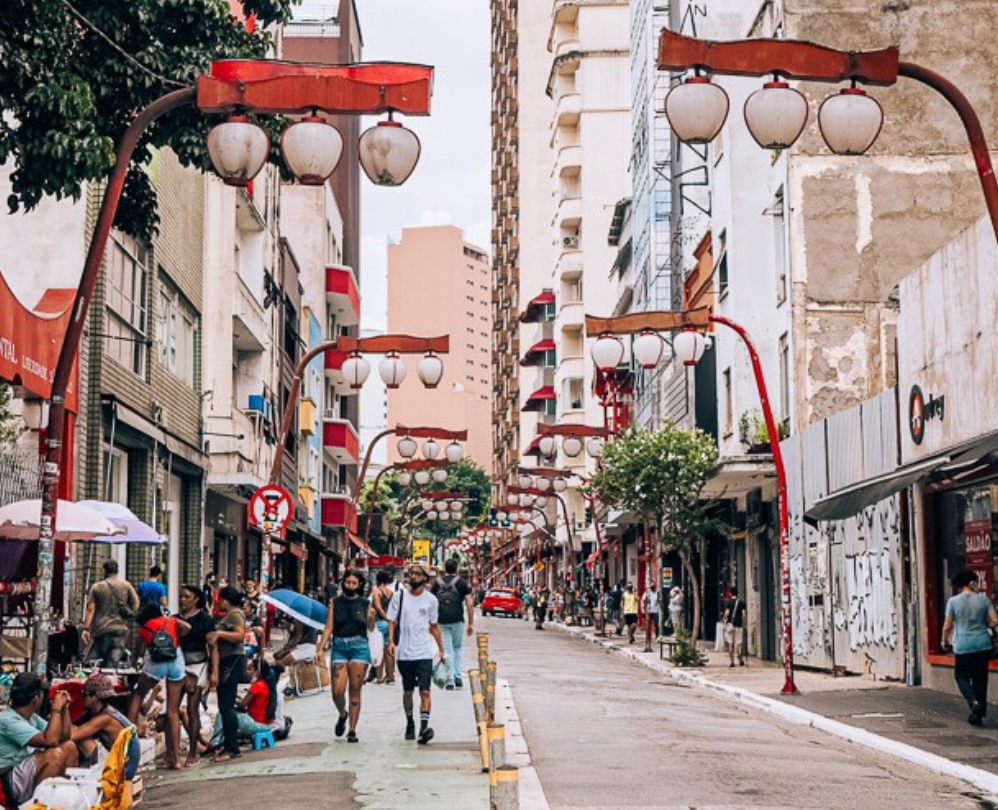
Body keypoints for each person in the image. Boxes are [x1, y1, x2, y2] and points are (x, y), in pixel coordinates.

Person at [387, 563, 447, 745]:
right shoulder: (400, 597)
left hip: (423, 653)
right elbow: (391, 620)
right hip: (404, 653)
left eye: (417, 573)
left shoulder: (431, 600)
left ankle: (423, 728)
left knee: (425, 692)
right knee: (407, 691)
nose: (413, 576)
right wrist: (390, 641)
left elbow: (434, 626)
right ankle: (410, 723)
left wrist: (442, 650)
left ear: (425, 578)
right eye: (411, 573)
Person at [0, 674, 78, 807]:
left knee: (69, 747)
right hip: (7, 779)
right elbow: (51, 741)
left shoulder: (32, 718)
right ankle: (37, 806)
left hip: (22, 774)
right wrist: (56, 708)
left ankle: (66, 801)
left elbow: (65, 737)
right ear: (36, 699)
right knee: (53, 755)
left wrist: (65, 708)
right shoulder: (8, 719)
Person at [128, 603, 189, 770]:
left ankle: (128, 737)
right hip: (176, 661)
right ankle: (175, 760)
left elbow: (138, 651)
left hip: (155, 662)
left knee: (138, 693)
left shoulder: (144, 628)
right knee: (173, 711)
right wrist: (177, 639)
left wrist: (135, 662)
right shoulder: (172, 621)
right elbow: (188, 627)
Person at [318, 569, 376, 743]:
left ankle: (352, 729)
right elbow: (329, 627)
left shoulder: (366, 603)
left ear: (360, 585)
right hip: (340, 646)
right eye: (347, 582)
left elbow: (370, 628)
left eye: (354, 583)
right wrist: (320, 647)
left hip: (359, 647)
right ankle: (343, 713)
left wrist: (372, 618)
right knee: (337, 691)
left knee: (355, 690)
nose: (350, 586)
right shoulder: (335, 603)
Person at [942, 570, 998, 725]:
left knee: (961, 677)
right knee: (980, 679)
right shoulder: (983, 600)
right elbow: (995, 621)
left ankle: (973, 701)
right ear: (972, 583)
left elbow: (948, 625)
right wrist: (983, 624)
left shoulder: (953, 602)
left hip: (963, 645)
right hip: (982, 644)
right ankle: (977, 715)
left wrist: (944, 641)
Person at [70, 673, 141, 779]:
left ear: (95, 697)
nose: (82, 697)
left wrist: (62, 709)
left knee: (81, 738)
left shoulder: (105, 718)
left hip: (123, 770)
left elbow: (72, 736)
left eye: (85, 694)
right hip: (124, 764)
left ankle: (84, 776)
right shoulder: (101, 711)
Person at [207, 585, 248, 762]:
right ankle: (229, 744)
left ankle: (232, 748)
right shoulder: (231, 615)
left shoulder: (235, 614)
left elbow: (240, 635)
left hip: (232, 660)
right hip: (227, 660)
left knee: (226, 706)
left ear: (225, 600)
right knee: (225, 705)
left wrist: (219, 633)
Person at [177, 584, 213, 765]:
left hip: (199, 666)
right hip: (178, 667)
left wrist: (213, 673)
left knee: (192, 708)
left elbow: (211, 645)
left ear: (196, 599)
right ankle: (173, 753)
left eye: (187, 597)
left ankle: (192, 751)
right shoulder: (175, 619)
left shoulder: (204, 619)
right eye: (181, 596)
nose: (183, 600)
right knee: (173, 710)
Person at [210, 659, 284, 746]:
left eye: (250, 669)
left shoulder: (257, 686)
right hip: (267, 725)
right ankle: (218, 742)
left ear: (257, 672)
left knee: (223, 714)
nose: (247, 672)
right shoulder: (266, 684)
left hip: (258, 724)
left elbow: (242, 704)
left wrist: (230, 698)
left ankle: (214, 744)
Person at [81, 559, 140, 666]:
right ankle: (113, 677)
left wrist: (86, 628)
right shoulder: (126, 585)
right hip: (120, 629)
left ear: (104, 571)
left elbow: (90, 609)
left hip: (102, 629)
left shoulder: (97, 587)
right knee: (114, 661)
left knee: (103, 660)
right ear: (117, 570)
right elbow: (136, 603)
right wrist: (129, 613)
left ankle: (105, 679)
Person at [432, 558, 473, 690]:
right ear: (456, 569)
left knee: (447, 649)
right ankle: (458, 676)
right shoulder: (462, 583)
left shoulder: (437, 583)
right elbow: (470, 603)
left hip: (441, 620)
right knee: (458, 647)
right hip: (457, 619)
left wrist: (431, 622)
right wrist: (470, 623)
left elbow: (431, 602)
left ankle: (449, 679)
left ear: (445, 568)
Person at [371, 570, 396, 684]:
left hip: (380, 623)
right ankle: (390, 677)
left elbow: (377, 606)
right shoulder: (390, 592)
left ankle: (379, 676)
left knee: (379, 649)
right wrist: (390, 620)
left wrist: (385, 618)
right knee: (389, 650)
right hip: (390, 624)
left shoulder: (377, 591)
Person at [722, 587, 747, 667]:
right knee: (738, 643)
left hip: (730, 626)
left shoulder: (728, 603)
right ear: (737, 593)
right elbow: (744, 615)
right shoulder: (742, 603)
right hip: (738, 626)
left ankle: (732, 661)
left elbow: (727, 613)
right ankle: (740, 659)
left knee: (730, 643)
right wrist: (745, 624)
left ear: (730, 593)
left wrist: (723, 620)